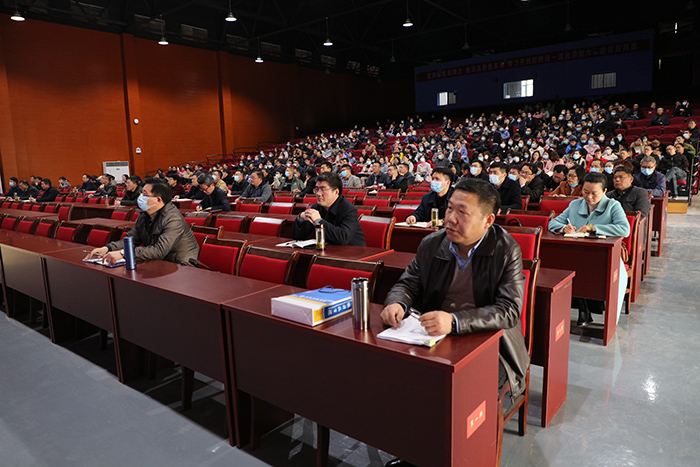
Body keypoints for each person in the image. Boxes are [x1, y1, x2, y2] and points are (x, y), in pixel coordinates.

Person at [380, 179, 529, 467]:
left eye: (462, 212)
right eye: (449, 208)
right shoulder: (432, 243)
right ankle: (417, 454)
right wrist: (396, 302)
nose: (450, 218)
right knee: (400, 382)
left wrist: (455, 321)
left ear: (488, 220)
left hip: (491, 346)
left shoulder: (505, 249)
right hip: (433, 336)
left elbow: (509, 310)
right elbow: (407, 283)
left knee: (462, 397)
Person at [548, 172, 630, 325]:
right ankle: (581, 307)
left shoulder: (613, 206)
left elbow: (625, 229)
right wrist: (563, 228)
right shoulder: (575, 204)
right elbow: (552, 223)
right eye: (585, 192)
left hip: (603, 254)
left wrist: (593, 228)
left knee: (585, 268)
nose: (589, 197)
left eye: (594, 193)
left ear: (604, 191)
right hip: (576, 252)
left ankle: (587, 308)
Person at [84, 178, 199, 265]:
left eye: (144, 194)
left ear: (158, 199)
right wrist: (107, 248)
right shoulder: (145, 214)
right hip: (158, 262)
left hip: (180, 265)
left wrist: (123, 253)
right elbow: (131, 239)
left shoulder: (173, 218)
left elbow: (159, 250)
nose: (140, 197)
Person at [291, 172, 366, 246]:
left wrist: (319, 221)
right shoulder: (316, 207)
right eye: (317, 189)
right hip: (328, 249)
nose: (318, 193)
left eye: (323, 189)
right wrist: (301, 218)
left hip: (352, 250)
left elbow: (343, 237)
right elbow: (298, 236)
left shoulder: (349, 209)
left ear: (336, 191)